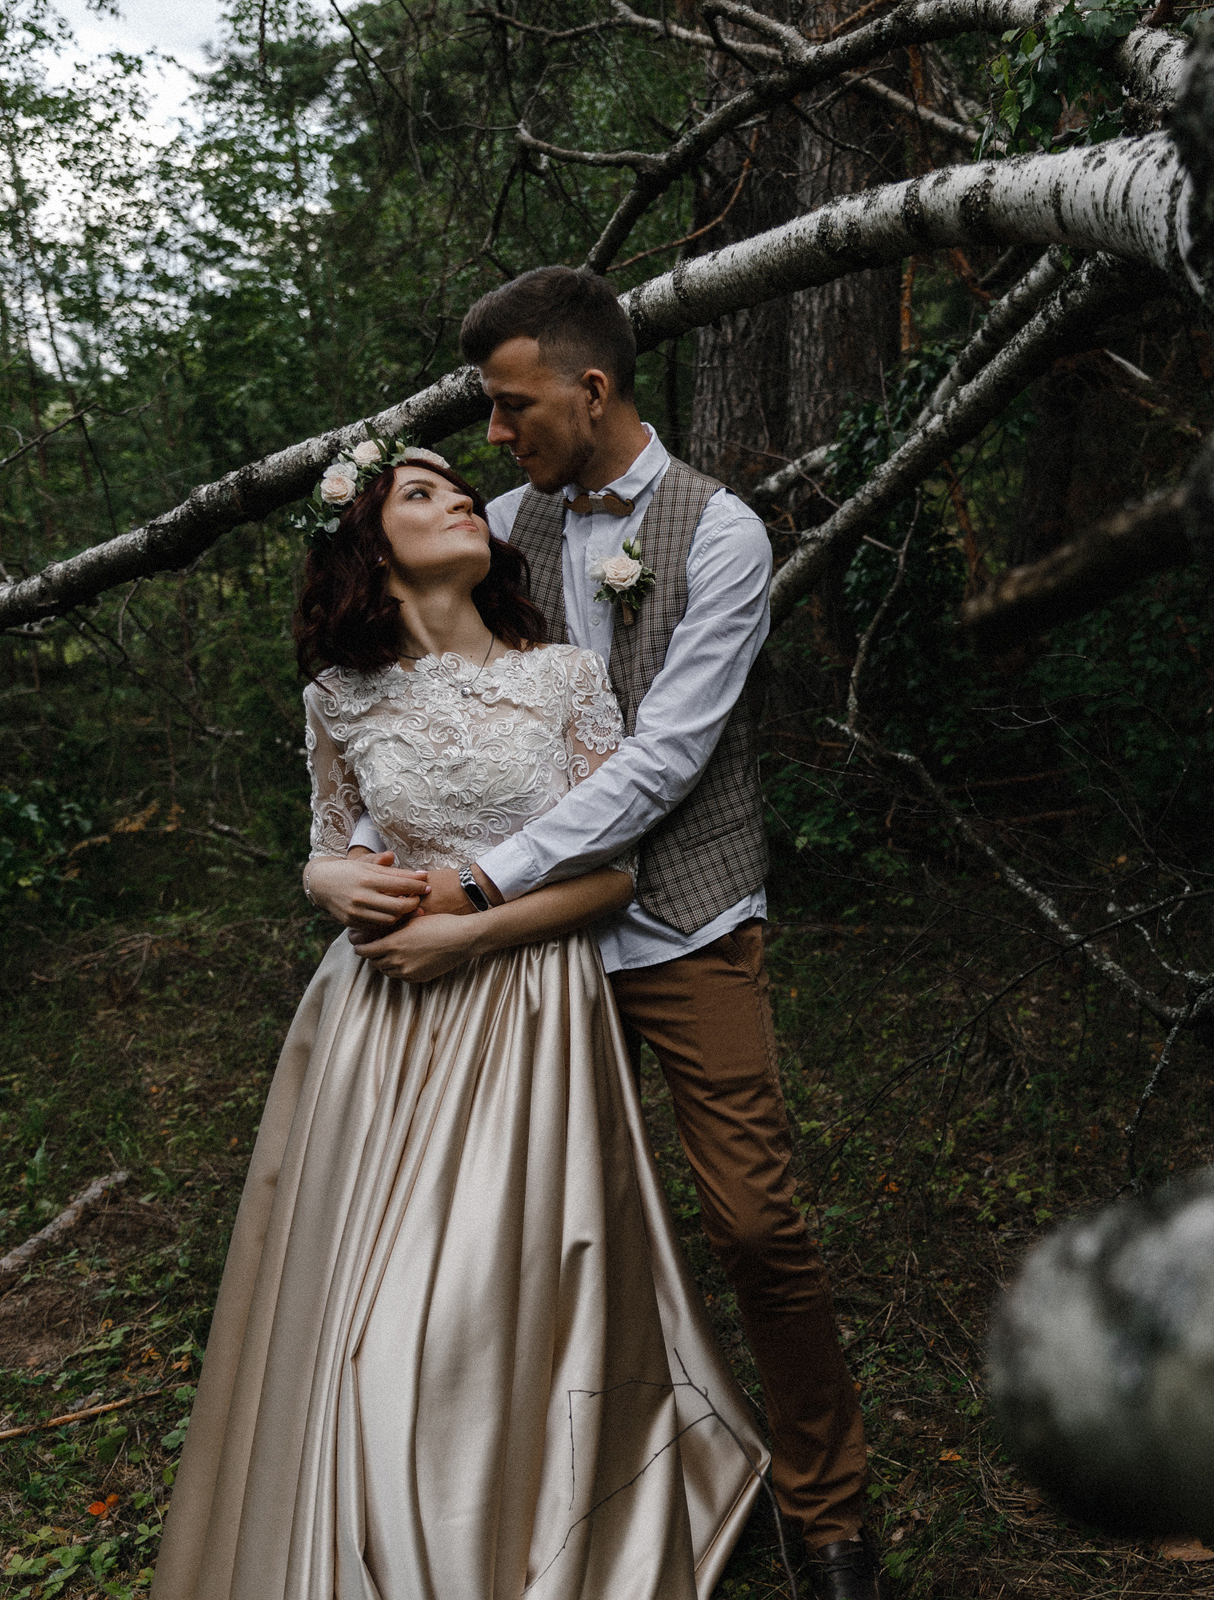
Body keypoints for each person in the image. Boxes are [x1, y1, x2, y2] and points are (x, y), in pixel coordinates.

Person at [306, 267, 881, 1599]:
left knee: (751, 1223)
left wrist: (480, 889)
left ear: (592, 389)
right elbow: (421, 712)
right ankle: (544, 1510)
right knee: (526, 1240)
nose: (496, 439)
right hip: (517, 968)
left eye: (512, 409)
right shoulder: (499, 525)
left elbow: (663, 762)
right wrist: (339, 871)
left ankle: (828, 1507)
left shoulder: (720, 534)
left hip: (677, 916)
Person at [156, 443, 769, 1598]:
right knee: (363, 1325)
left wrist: (469, 931)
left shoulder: (568, 679)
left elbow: (612, 878)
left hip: (527, 1014)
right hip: (374, 1034)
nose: (461, 502)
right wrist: (322, 882)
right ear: (374, 554)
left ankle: (508, 1533)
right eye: (422, 494)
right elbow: (335, 839)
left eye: (455, 485)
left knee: (477, 1319)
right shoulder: (337, 697)